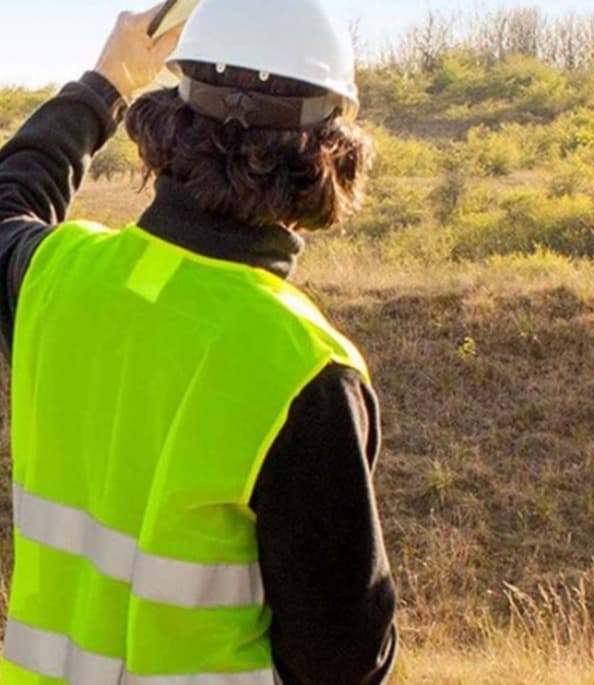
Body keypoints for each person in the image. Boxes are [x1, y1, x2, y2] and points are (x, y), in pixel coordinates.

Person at [0, 1, 397, 683]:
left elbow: (11, 197)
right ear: (331, 153)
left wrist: (107, 82)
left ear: (171, 125)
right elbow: (342, 662)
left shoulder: (58, 281)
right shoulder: (306, 370)